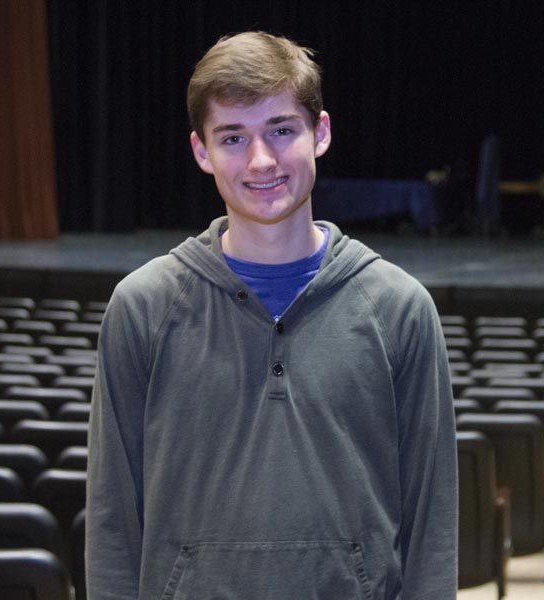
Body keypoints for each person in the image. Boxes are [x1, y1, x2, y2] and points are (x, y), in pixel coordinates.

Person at [85, 31, 457, 599]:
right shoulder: (144, 307)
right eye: (233, 137)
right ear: (201, 151)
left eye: (282, 130)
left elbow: (432, 527)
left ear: (321, 134)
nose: (261, 161)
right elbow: (113, 518)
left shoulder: (399, 309)